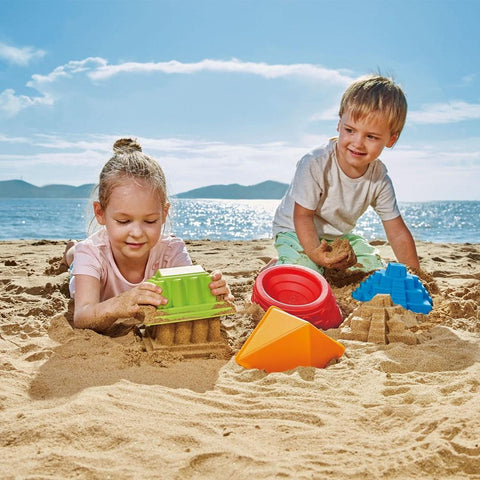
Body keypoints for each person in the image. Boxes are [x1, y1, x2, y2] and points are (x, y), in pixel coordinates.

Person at [64, 138, 233, 332]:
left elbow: (190, 300)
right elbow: (83, 316)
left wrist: (213, 295)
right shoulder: (92, 252)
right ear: (100, 213)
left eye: (150, 221)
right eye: (123, 221)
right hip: (85, 263)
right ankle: (71, 250)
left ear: (164, 214)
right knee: (75, 258)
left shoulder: (171, 250)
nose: (137, 233)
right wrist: (120, 303)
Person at [272, 74, 420, 274]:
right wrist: (316, 253)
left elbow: (397, 231)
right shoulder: (315, 163)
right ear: (339, 123)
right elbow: (302, 216)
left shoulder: (379, 178)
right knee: (309, 271)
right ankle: (280, 265)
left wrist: (415, 274)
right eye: (350, 130)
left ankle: (291, 260)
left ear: (391, 139)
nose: (357, 143)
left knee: (371, 267)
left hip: (336, 237)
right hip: (294, 231)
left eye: (371, 136)